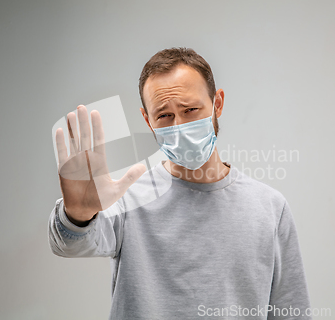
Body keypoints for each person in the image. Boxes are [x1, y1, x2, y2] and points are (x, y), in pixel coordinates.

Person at [48, 47, 312, 319]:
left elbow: (291, 310)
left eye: (191, 110)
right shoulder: (127, 196)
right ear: (147, 120)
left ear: (217, 104)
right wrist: (78, 215)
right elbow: (70, 244)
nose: (180, 126)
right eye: (164, 116)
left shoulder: (269, 207)